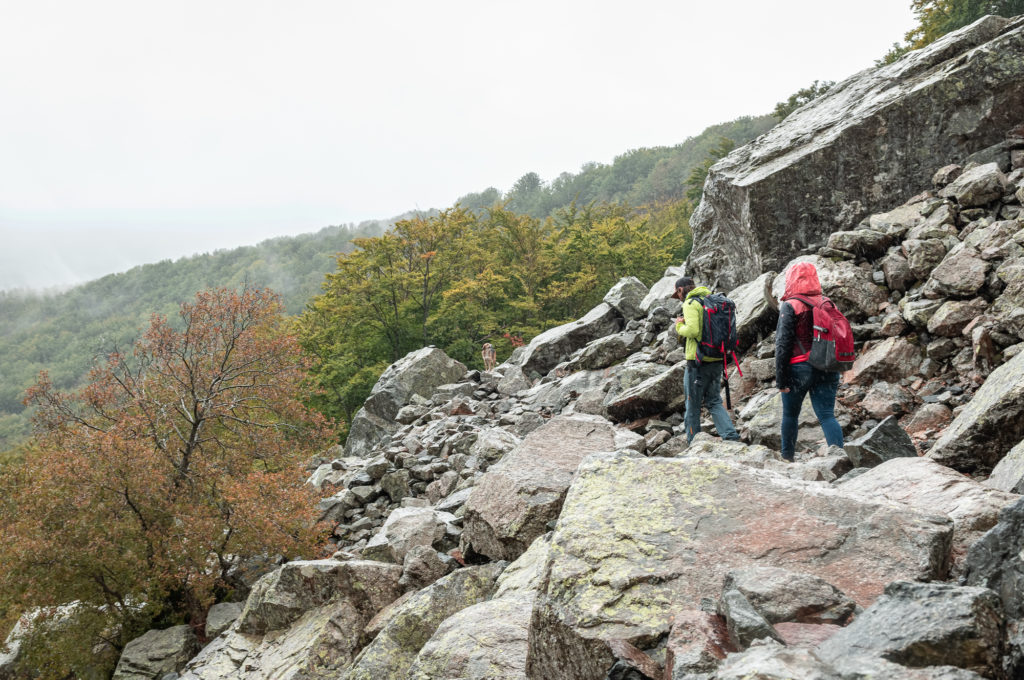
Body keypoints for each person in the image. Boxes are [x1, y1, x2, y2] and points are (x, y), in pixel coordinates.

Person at [774, 262, 844, 462]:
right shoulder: (828, 303)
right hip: (828, 365)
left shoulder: (791, 305)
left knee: (790, 415)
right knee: (827, 416)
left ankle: (787, 458)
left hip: (799, 367)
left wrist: (781, 381)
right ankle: (839, 459)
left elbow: (782, 345)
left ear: (791, 280)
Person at [673, 277, 740, 444]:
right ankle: (731, 436)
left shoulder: (690, 304)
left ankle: (693, 442)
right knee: (714, 400)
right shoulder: (712, 300)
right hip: (717, 357)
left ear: (681, 290)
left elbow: (693, 330)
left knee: (692, 404)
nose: (678, 297)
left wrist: (679, 326)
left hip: (698, 362)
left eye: (678, 293)